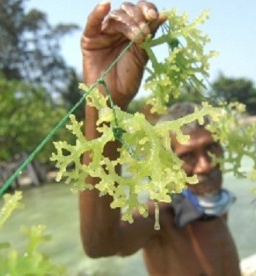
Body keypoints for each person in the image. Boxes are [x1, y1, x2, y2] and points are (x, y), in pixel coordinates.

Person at [80, 1, 241, 275]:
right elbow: (100, 245)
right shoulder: (161, 217)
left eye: (211, 148)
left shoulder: (214, 203)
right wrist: (104, 104)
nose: (205, 166)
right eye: (187, 156)